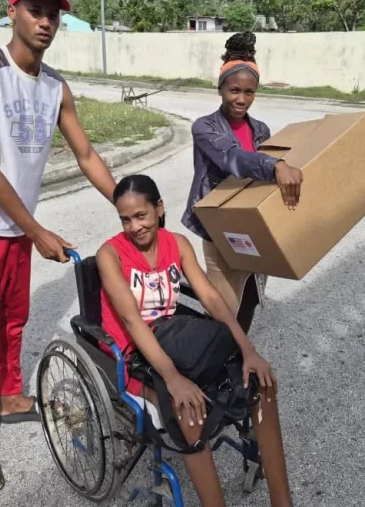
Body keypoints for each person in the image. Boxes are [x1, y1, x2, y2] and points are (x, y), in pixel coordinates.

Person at [0, 0, 117, 495]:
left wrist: (130, 204)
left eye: (54, 13)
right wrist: (38, 230)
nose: (46, 21)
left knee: (14, 320)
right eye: (35, 10)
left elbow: (85, 152)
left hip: (16, 231)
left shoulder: (56, 87)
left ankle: (14, 396)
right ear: (13, 10)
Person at [97, 174, 293, 507]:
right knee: (189, 409)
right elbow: (132, 321)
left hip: (174, 339)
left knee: (262, 383)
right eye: (125, 219)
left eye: (141, 215)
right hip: (133, 355)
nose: (134, 226)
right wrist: (173, 380)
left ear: (159, 209)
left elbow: (211, 298)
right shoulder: (110, 255)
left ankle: (282, 501)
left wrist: (248, 350)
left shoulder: (177, 243)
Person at [181, 31, 303, 332]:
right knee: (222, 311)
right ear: (220, 88)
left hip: (253, 226)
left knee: (249, 299)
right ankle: (214, 369)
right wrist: (276, 165)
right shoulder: (205, 128)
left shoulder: (261, 129)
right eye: (234, 90)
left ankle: (239, 362)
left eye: (249, 92)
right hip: (219, 230)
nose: (241, 99)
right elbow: (233, 159)